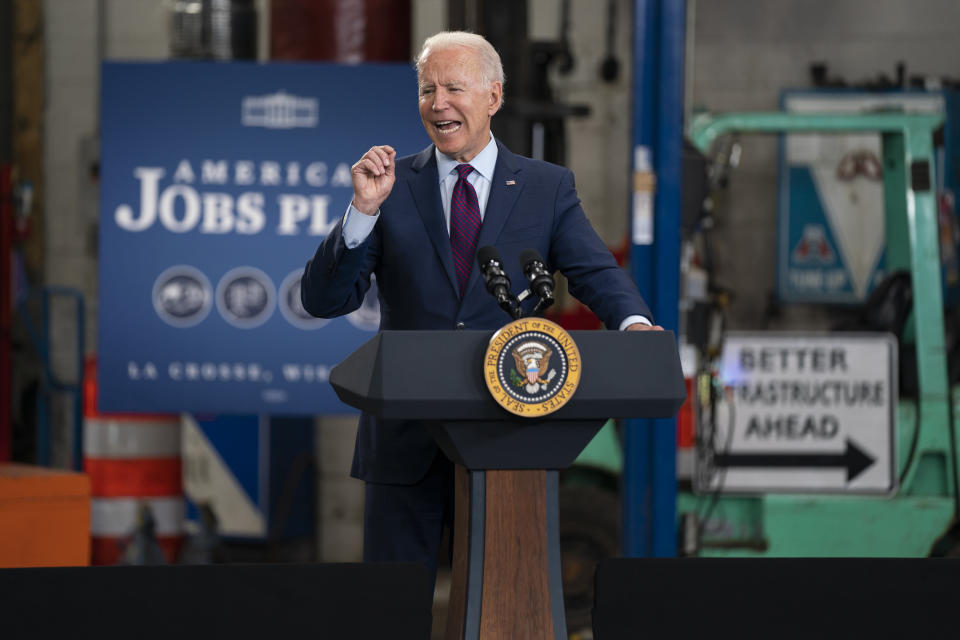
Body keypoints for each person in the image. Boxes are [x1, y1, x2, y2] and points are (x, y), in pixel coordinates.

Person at [301, 31, 661, 585]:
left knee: (505, 601)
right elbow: (323, 300)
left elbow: (594, 271)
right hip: (406, 444)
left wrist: (634, 324)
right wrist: (362, 211)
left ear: (494, 96)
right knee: (390, 606)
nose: (437, 103)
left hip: (509, 435)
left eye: (453, 87)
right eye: (427, 90)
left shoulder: (546, 188)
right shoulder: (390, 188)